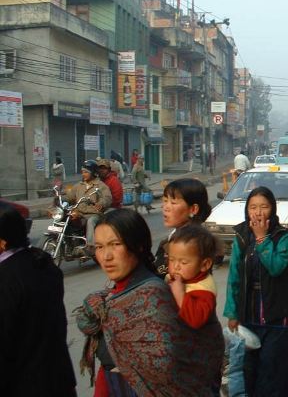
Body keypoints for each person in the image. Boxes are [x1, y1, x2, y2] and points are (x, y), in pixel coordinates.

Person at [75, 209, 224, 396]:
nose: (106, 256)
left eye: (115, 244)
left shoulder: (153, 296)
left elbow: (174, 368)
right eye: (99, 247)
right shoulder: (112, 297)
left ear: (138, 246)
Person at [224, 186, 288, 397]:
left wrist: (262, 239)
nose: (258, 212)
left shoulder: (284, 237)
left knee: (274, 372)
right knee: (251, 373)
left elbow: (276, 268)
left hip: (279, 317)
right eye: (253, 207)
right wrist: (232, 313)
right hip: (250, 315)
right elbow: (234, 277)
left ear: (272, 209)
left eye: (264, 207)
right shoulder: (241, 237)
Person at [0, 202, 77, 397]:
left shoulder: (7, 278)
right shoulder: (41, 261)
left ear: (2, 242)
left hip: (24, 385)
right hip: (58, 379)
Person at [155, 178, 217, 276]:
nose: (165, 207)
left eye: (173, 202)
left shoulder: (195, 243)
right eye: (165, 201)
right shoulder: (172, 238)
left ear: (193, 209)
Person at [166, 224, 219, 329]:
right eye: (171, 260)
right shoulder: (182, 277)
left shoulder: (204, 290)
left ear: (205, 264)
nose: (176, 266)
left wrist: (180, 294)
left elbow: (196, 319)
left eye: (183, 262)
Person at [65, 160, 112, 250]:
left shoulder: (100, 185)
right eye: (82, 172)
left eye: (86, 172)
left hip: (94, 214)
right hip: (80, 213)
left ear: (93, 173)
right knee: (66, 218)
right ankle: (68, 243)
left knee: (91, 221)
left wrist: (101, 203)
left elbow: (107, 198)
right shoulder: (78, 186)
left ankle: (90, 246)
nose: (83, 174)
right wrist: (60, 198)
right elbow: (70, 197)